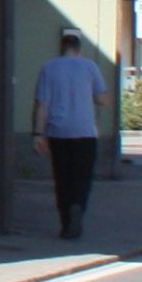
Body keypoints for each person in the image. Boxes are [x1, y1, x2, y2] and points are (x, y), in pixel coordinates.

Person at [34, 26, 108, 239]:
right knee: (82, 178)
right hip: (85, 131)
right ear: (79, 48)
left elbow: (42, 105)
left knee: (62, 178)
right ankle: (77, 207)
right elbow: (102, 98)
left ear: (62, 46)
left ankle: (66, 221)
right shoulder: (89, 66)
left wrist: (38, 134)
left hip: (58, 132)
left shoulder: (48, 68)